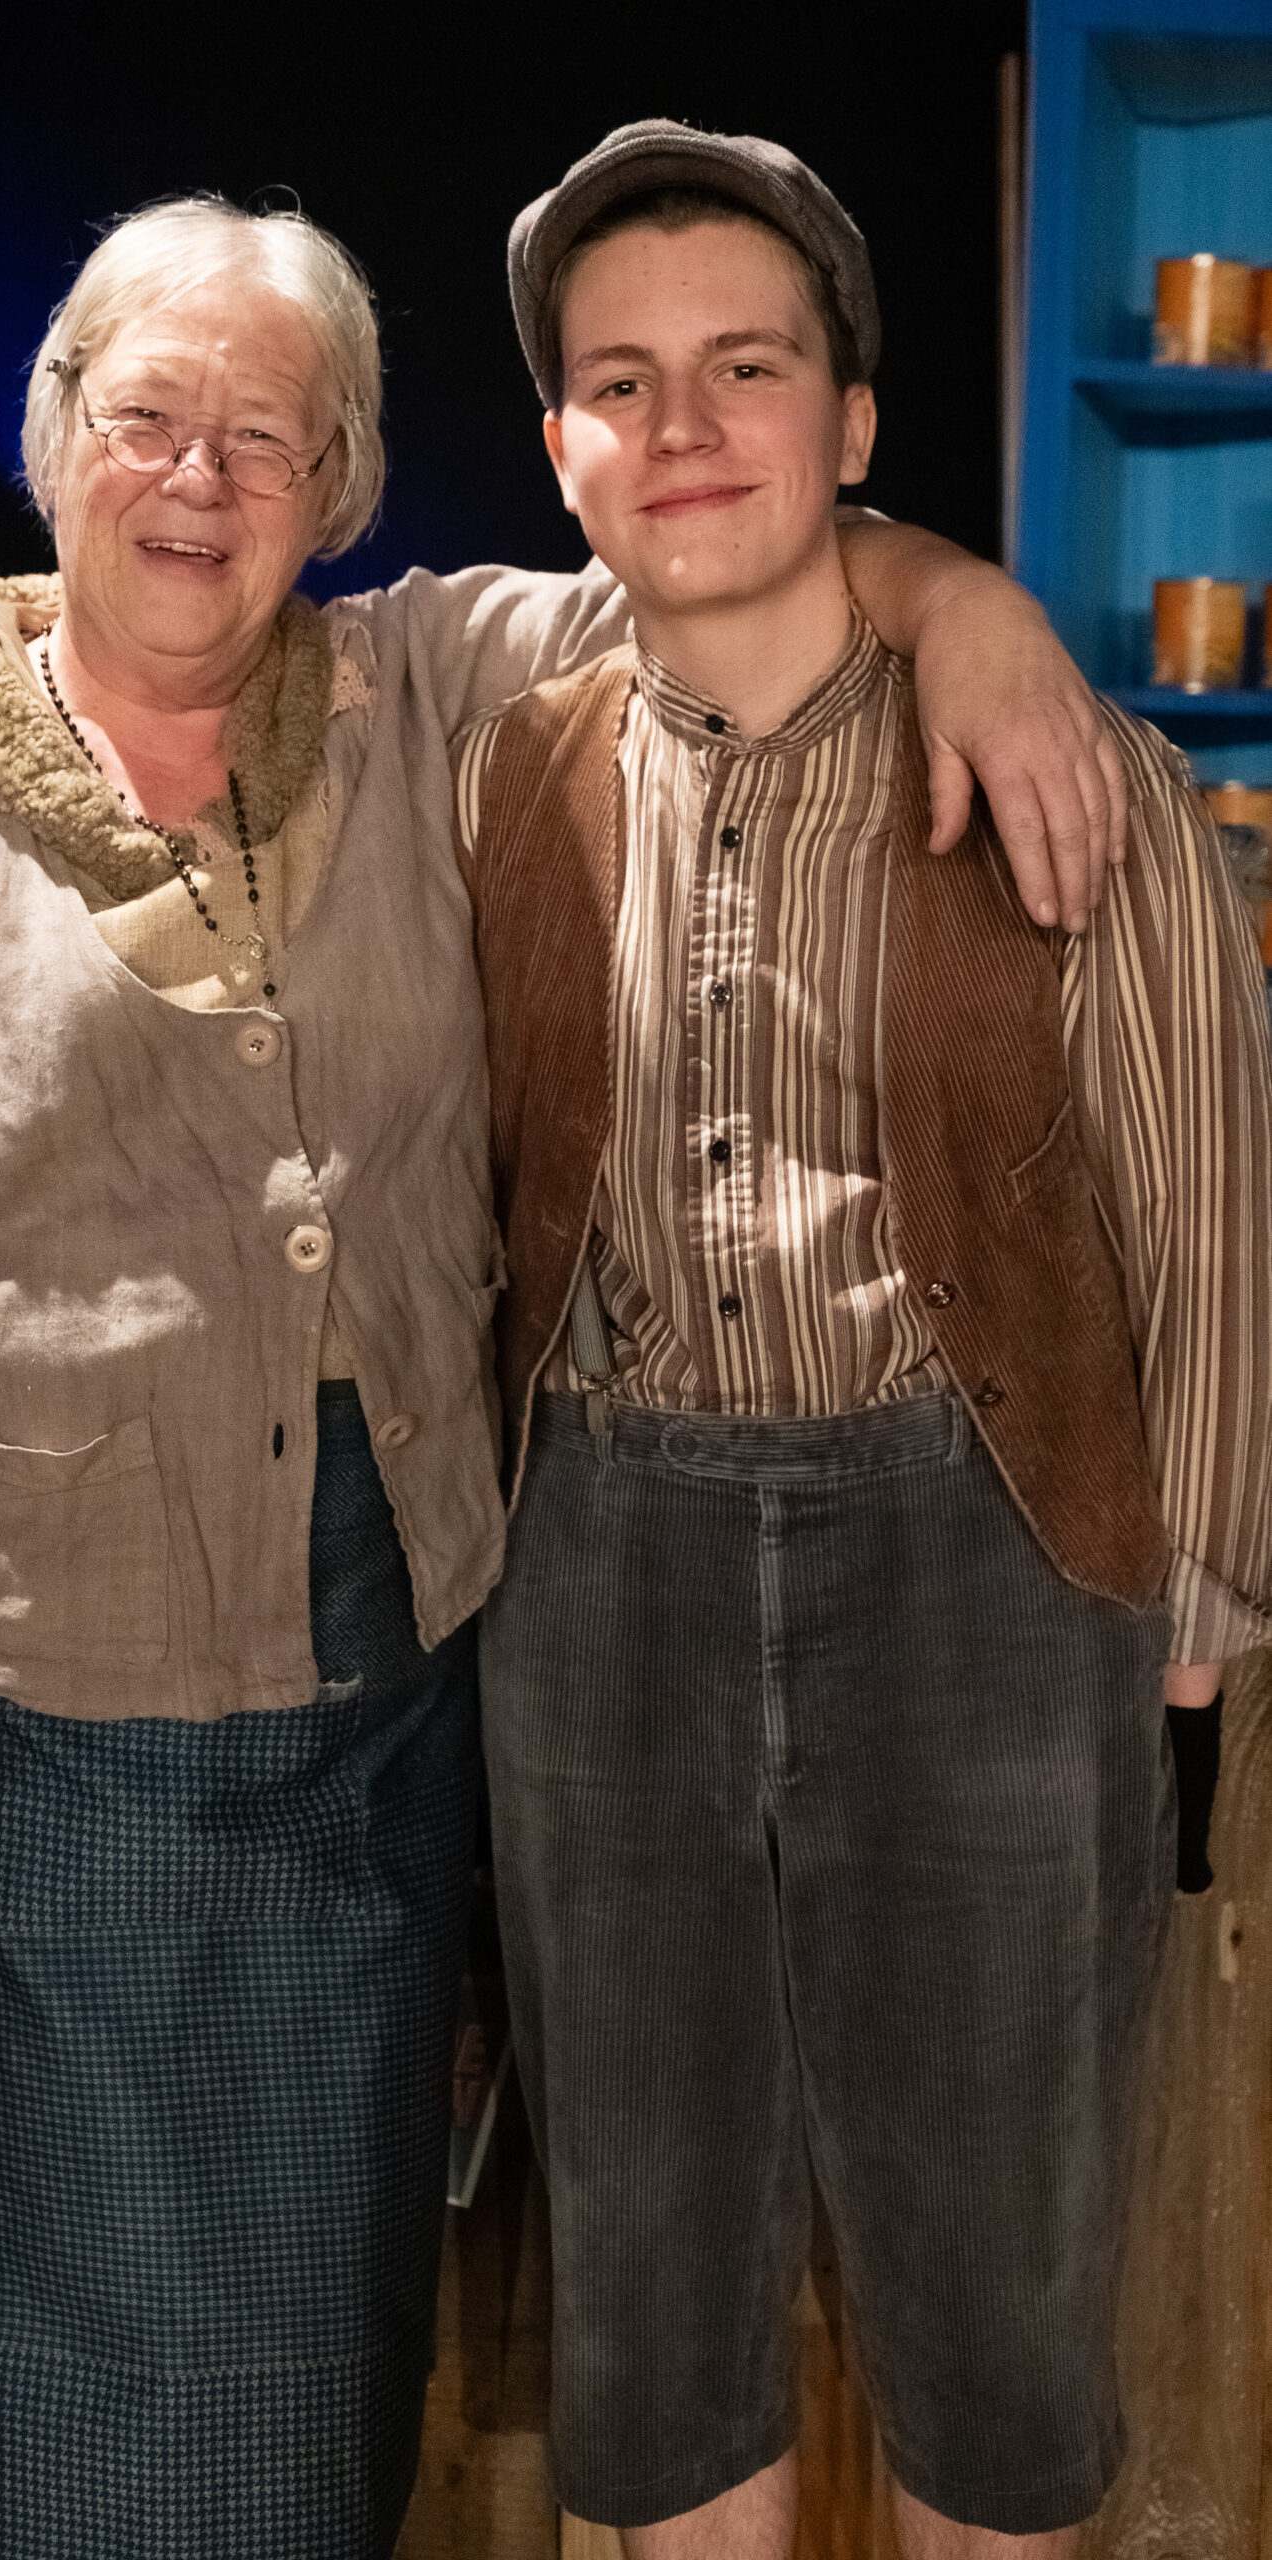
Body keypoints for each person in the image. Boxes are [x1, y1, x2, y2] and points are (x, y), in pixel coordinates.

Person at [0, 189, 1136, 2560]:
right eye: (149, 416)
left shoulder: (425, 692)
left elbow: (728, 560)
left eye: (268, 435)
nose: (199, 478)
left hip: (351, 1767)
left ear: (337, 483)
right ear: (56, 437)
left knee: (279, 2453)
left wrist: (963, 606)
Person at [457, 122, 1272, 2560]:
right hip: (600, 1568)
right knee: (647, 2286)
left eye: (743, 365)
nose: (681, 424)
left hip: (980, 1559)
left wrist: (1180, 1632)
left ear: (850, 421)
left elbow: (1208, 1226)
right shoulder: (503, 768)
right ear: (560, 449)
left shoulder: (1061, 770)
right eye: (620, 381)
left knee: (996, 2300)